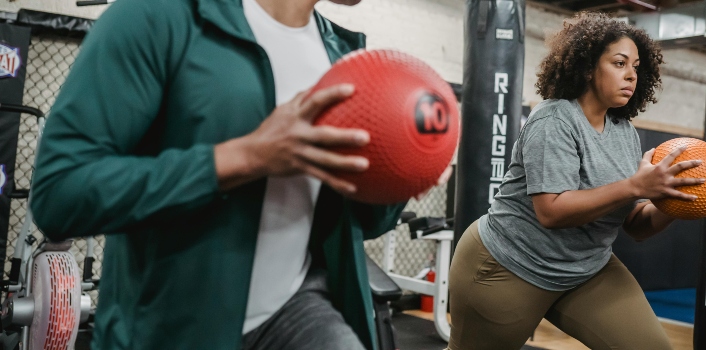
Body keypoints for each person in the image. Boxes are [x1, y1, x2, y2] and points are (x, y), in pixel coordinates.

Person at [30, 0, 449, 349]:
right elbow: (59, 195)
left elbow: (358, 223)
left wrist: (399, 177)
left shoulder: (342, 58)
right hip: (174, 325)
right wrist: (244, 158)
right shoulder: (159, 16)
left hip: (294, 310)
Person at [447, 12, 702, 350]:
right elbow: (551, 212)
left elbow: (636, 226)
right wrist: (636, 187)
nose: (631, 75)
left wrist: (676, 199)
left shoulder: (624, 133)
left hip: (587, 271)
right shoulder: (554, 120)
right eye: (619, 63)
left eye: (636, 67)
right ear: (587, 68)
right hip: (509, 265)